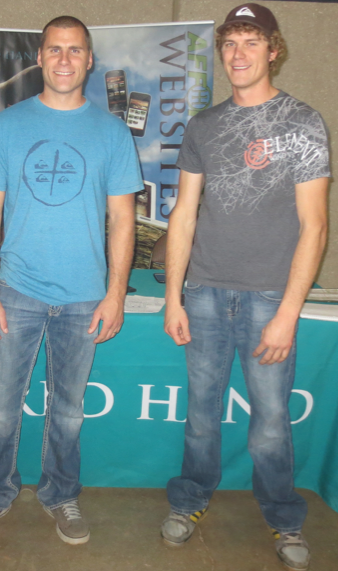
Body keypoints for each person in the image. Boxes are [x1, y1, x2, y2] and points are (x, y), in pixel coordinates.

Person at [0, 15, 142, 547]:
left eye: (75, 50)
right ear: (40, 58)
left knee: (67, 411)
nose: (65, 59)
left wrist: (115, 293)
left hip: (86, 297)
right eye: (55, 50)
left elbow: (125, 220)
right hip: (15, 292)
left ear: (89, 60)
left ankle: (61, 493)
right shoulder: (8, 125)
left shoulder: (110, 132)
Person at [162, 4, 329, 570]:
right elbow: (183, 215)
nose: (238, 53)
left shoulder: (304, 123)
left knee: (269, 425)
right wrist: (173, 297)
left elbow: (315, 226)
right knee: (201, 416)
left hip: (266, 300)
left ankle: (283, 517)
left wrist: (287, 311)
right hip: (205, 294)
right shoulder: (203, 127)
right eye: (230, 42)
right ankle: (190, 501)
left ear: (273, 49)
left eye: (250, 42)